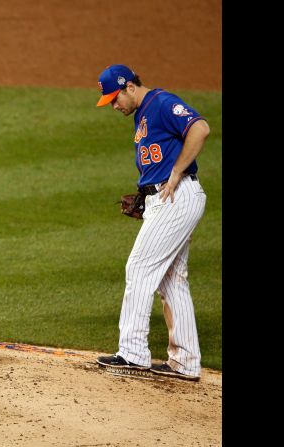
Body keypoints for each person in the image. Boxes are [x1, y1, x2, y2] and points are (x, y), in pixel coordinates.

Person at [94, 64, 209, 381]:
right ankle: (185, 361)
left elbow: (200, 128)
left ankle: (132, 353)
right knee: (171, 279)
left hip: (176, 196)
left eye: (115, 98)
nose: (114, 106)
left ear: (129, 86)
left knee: (139, 267)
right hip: (164, 199)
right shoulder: (142, 114)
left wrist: (176, 172)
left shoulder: (160, 102)